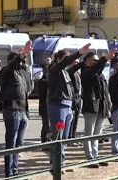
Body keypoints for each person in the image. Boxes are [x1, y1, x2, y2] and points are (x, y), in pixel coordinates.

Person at [47, 44, 90, 172]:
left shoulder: (65, 71)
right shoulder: (54, 69)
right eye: (66, 58)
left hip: (67, 105)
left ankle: (62, 162)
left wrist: (86, 62)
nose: (69, 60)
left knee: (64, 137)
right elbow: (65, 63)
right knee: (58, 136)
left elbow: (75, 67)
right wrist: (78, 53)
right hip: (57, 105)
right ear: (59, 59)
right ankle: (55, 164)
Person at [0, 40, 31, 178]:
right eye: (18, 60)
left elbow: (29, 86)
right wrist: (21, 55)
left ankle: (15, 170)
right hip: (12, 110)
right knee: (11, 143)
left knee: (19, 143)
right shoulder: (6, 71)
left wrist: (25, 64)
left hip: (23, 110)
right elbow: (12, 66)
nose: (21, 62)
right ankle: (9, 172)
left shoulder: (21, 72)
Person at [81, 49, 117, 168]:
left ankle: (95, 155)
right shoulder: (86, 72)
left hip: (101, 107)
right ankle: (89, 157)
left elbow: (105, 91)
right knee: (89, 133)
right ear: (87, 61)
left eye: (97, 60)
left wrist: (108, 105)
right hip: (91, 107)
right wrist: (104, 59)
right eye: (94, 60)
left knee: (97, 134)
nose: (96, 62)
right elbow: (93, 71)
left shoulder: (100, 74)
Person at [68, 59, 85, 146]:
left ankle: (73, 137)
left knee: (76, 120)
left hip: (78, 98)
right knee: (71, 119)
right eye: (75, 62)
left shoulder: (78, 73)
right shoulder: (69, 72)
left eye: (78, 62)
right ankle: (69, 138)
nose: (77, 64)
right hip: (72, 98)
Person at [39, 57, 51, 147]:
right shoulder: (42, 81)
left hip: (51, 105)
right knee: (46, 125)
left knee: (50, 125)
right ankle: (44, 141)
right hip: (44, 105)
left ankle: (49, 140)